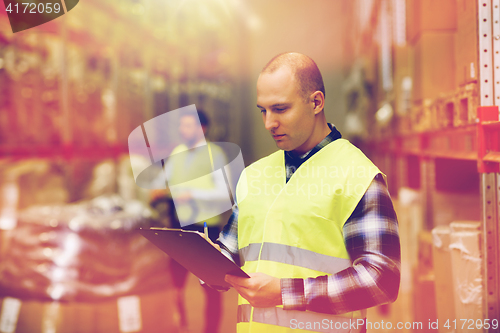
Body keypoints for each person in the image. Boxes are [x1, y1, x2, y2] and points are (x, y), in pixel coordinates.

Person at [211, 53, 401, 333]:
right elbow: (230, 250)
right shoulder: (254, 174)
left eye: (280, 109)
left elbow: (381, 279)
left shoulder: (357, 175)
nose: (269, 123)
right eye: (263, 111)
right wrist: (206, 261)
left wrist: (285, 293)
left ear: (316, 102)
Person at [151, 109, 227, 333]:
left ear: (202, 128)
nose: (183, 130)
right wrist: (156, 188)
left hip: (206, 228)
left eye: (188, 126)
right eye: (181, 126)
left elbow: (224, 194)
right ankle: (178, 319)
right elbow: (162, 180)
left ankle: (210, 330)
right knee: (175, 280)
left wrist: (191, 193)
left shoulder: (216, 155)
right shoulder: (177, 152)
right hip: (179, 226)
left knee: (211, 287)